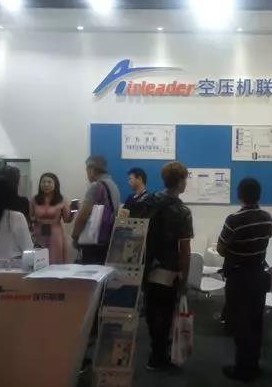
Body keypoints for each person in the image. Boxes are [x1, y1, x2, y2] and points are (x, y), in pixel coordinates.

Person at [131, 161, 193, 371]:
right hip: (168, 268)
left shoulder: (147, 200)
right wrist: (184, 278)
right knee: (165, 313)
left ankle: (155, 347)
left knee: (150, 308)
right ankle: (158, 356)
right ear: (180, 181)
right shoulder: (182, 211)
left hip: (145, 264)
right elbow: (184, 250)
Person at [217, 178, 272, 382]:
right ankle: (254, 364)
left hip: (238, 276)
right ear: (258, 195)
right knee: (256, 322)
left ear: (239, 194)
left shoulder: (233, 219)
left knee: (240, 323)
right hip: (259, 274)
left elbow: (220, 248)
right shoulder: (267, 218)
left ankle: (242, 368)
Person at [72, 155, 120, 265]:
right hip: (108, 238)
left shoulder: (96, 186)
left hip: (93, 241)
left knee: (90, 272)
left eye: (87, 169)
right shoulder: (113, 185)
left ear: (92, 170)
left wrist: (75, 236)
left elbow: (83, 216)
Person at [31, 173, 73, 264]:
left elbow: (67, 220)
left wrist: (73, 210)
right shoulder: (34, 199)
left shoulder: (62, 199)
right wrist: (34, 221)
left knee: (55, 259)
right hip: (38, 232)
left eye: (49, 182)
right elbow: (29, 218)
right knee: (39, 261)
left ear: (55, 184)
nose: (46, 184)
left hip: (55, 233)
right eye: (43, 182)